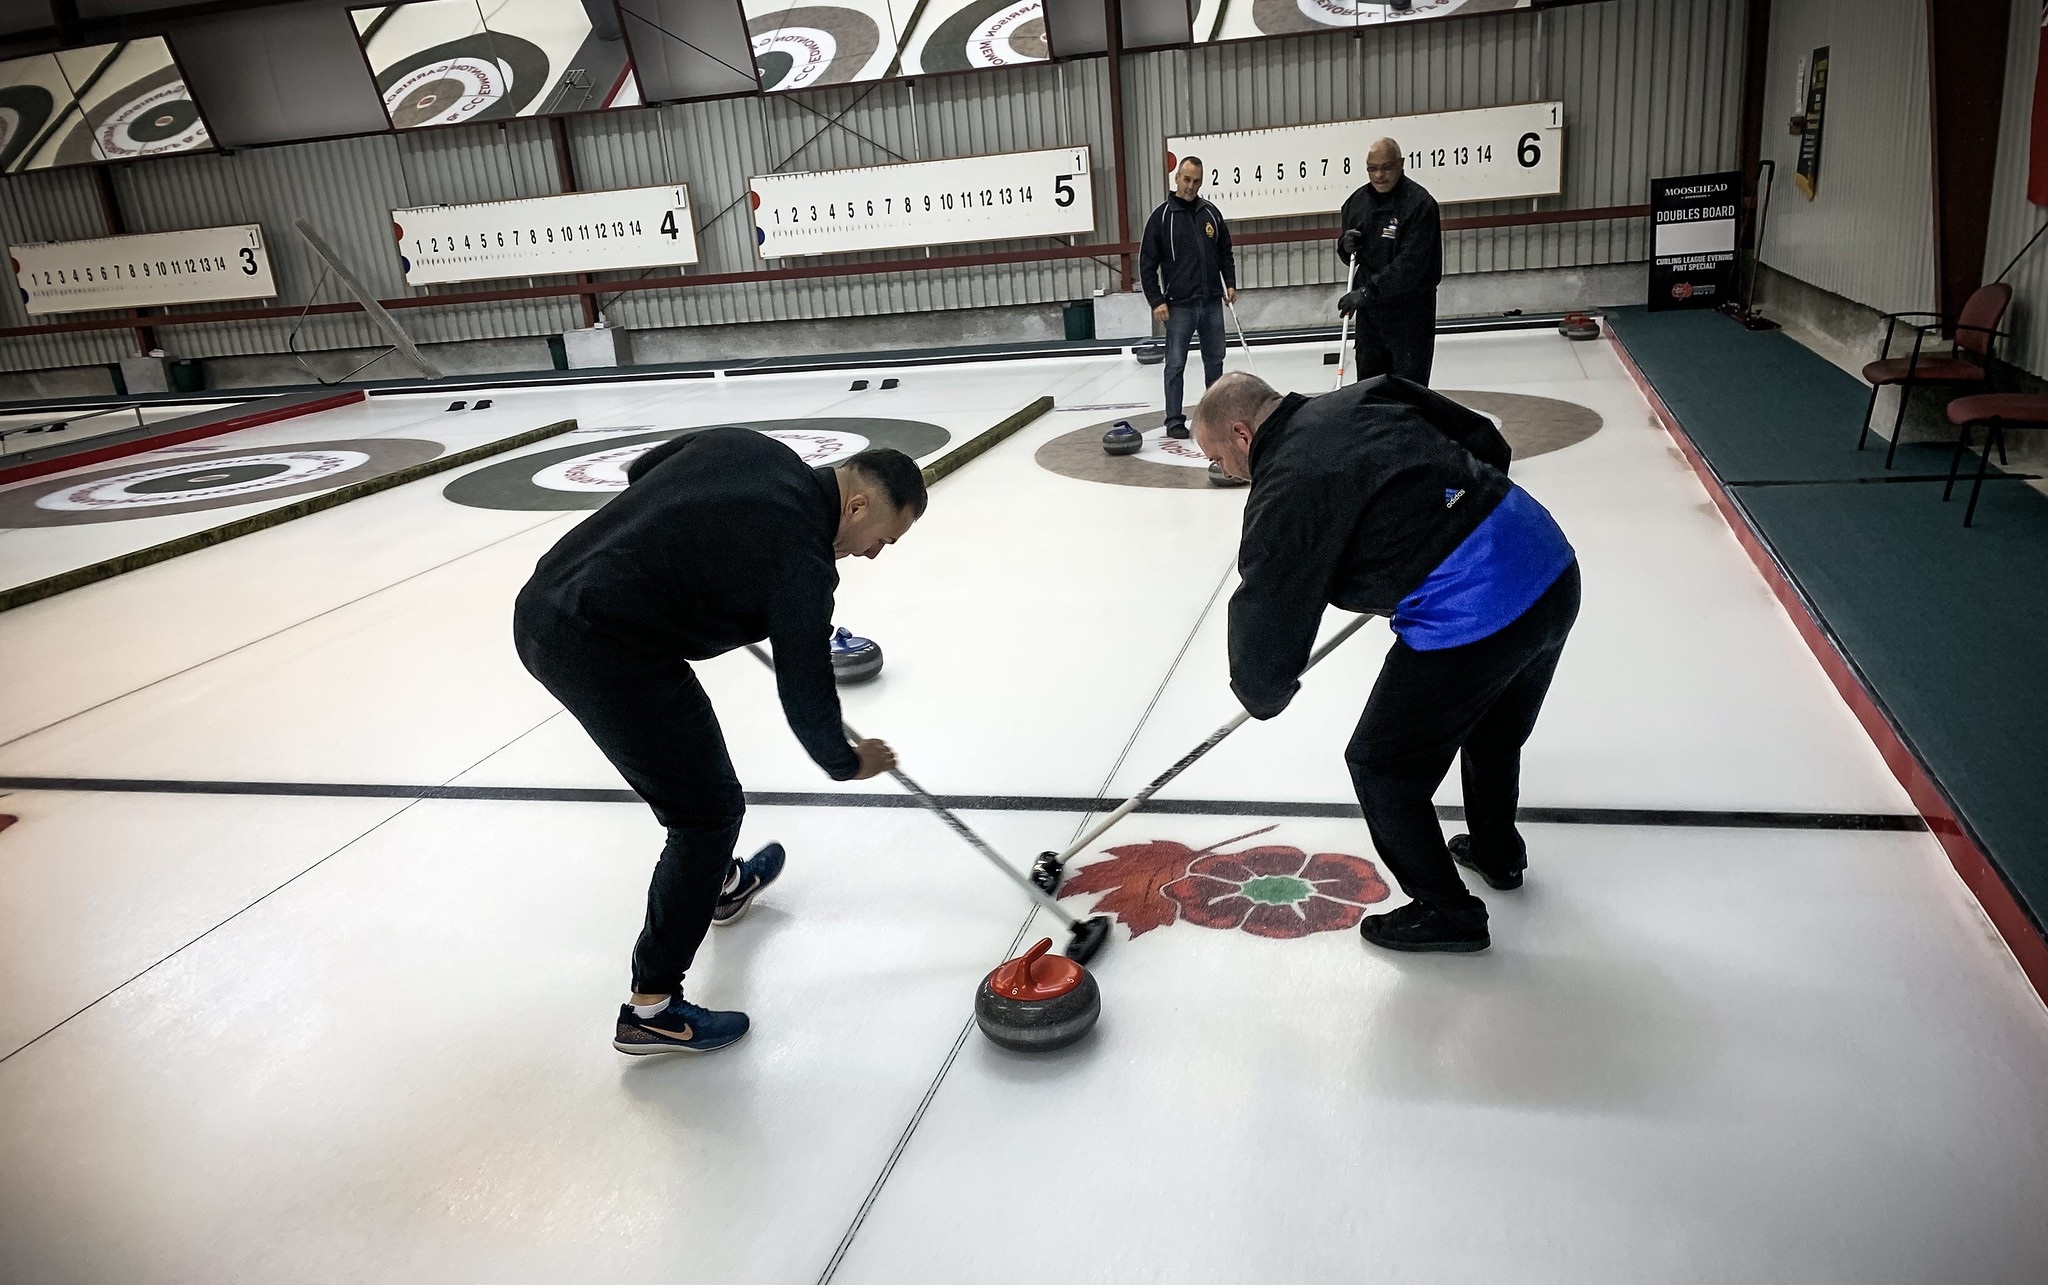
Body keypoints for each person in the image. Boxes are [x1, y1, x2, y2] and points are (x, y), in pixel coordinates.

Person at [513, 430, 924, 1054]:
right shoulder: (801, 559)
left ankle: (718, 886)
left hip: (549, 596)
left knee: (700, 787)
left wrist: (701, 546)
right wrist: (848, 760)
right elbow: (807, 693)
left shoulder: (754, 450)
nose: (872, 555)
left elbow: (645, 468)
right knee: (705, 814)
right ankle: (650, 1007)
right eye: (883, 540)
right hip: (599, 646)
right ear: (859, 507)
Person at [1193, 371, 1579, 954]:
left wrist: (1261, 689)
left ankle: (1446, 912)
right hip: (1547, 560)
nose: (1218, 469)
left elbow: (1270, 601)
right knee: (1493, 733)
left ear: (1242, 435)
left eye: (1215, 455)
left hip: (1479, 607)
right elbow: (1483, 439)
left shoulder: (1286, 488)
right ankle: (1498, 855)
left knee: (1383, 768)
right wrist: (1441, 515)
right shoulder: (1367, 395)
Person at [1139, 155, 1238, 438]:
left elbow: (1225, 252)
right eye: (1186, 179)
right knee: (1175, 364)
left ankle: (1214, 419)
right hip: (1177, 307)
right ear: (1176, 179)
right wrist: (1156, 300)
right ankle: (1174, 420)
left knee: (1215, 361)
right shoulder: (1161, 218)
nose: (1191, 186)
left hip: (1210, 303)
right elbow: (1147, 263)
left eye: (1196, 181)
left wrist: (1229, 283)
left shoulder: (1211, 214)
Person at [1335, 138, 1443, 385]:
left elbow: (1411, 267)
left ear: (1401, 164)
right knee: (1371, 389)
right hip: (1371, 321)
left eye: (1387, 167)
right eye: (1373, 168)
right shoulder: (1357, 203)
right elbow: (1351, 256)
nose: (1379, 175)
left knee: (1408, 393)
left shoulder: (1419, 205)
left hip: (1410, 317)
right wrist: (1344, 245)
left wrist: (1364, 293)